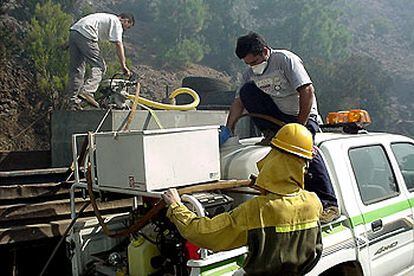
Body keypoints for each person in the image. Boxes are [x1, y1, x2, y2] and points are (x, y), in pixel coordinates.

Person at [163, 123, 323, 275]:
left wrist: (176, 207)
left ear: (274, 158)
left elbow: (205, 233)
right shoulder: (314, 202)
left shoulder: (257, 209)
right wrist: (267, 188)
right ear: (304, 164)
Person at [224, 32, 339, 223]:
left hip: (302, 115)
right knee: (246, 91)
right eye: (248, 64)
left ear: (265, 51)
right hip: (278, 117)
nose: (253, 67)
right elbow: (238, 102)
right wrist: (229, 129)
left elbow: (307, 90)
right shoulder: (250, 74)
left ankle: (329, 203)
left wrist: (299, 128)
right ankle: (271, 133)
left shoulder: (285, 60)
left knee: (307, 151)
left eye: (255, 62)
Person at [67, 12, 134, 109]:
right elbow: (118, 44)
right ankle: (88, 91)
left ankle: (73, 102)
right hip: (87, 33)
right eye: (128, 27)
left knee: (77, 70)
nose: (126, 29)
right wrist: (123, 66)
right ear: (126, 21)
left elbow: (79, 31)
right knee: (100, 66)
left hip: (74, 32)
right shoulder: (117, 22)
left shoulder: (105, 17)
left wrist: (69, 43)